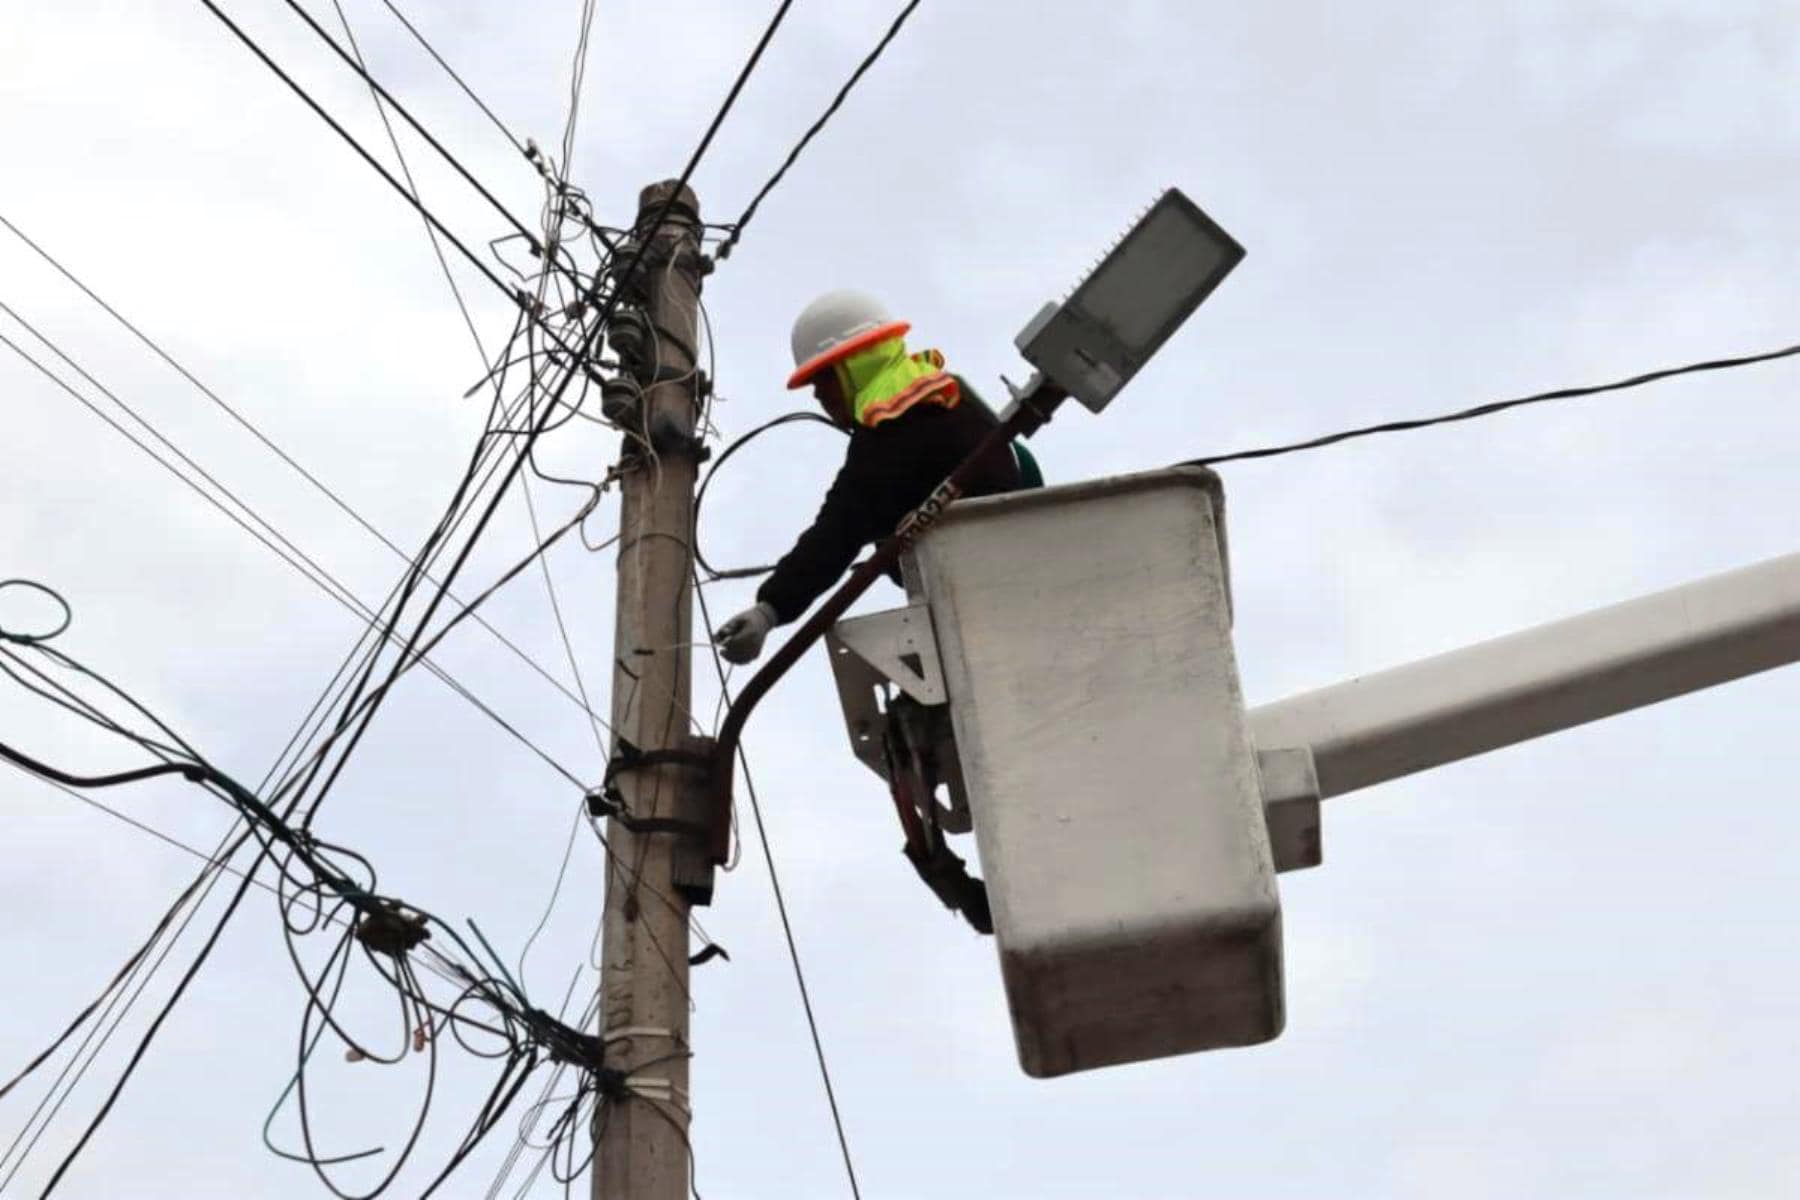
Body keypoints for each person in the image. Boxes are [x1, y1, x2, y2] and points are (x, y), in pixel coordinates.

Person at [714, 290, 1039, 665]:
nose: (818, 395)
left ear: (855, 366)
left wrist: (769, 609)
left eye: (824, 379)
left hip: (980, 594)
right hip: (1012, 569)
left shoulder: (893, 428)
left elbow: (838, 530)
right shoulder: (942, 391)